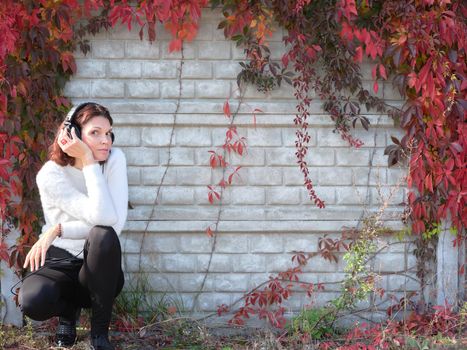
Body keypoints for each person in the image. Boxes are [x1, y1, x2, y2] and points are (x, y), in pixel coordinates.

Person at [19, 102, 128, 350]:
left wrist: (59, 229)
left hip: (97, 266)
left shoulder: (114, 161)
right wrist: (88, 162)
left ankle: (99, 336)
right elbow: (101, 214)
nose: (106, 140)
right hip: (59, 261)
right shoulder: (50, 175)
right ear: (73, 135)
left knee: (103, 235)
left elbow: (111, 223)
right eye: (95, 133)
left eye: (109, 132)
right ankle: (68, 312)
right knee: (32, 301)